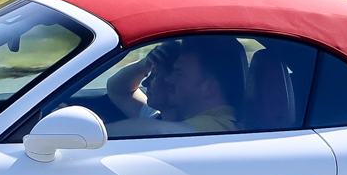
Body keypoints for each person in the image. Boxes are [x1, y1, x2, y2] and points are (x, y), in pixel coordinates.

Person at [105, 35, 245, 136]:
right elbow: (118, 91)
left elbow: (159, 131)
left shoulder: (221, 124)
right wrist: (144, 65)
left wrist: (89, 137)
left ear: (209, 88)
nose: (169, 79)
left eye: (179, 73)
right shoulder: (177, 116)